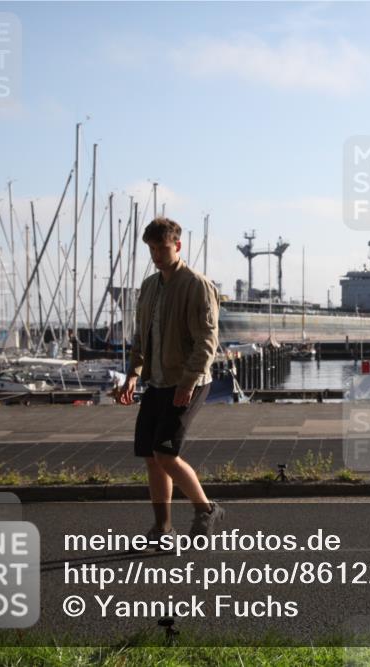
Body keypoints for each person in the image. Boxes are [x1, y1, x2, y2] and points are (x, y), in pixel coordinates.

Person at [117, 217, 225, 542]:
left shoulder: (197, 285)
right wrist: (133, 374)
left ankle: (206, 510)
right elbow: (141, 336)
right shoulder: (149, 287)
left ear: (177, 246)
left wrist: (188, 383)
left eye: (162, 248)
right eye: (151, 249)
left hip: (188, 382)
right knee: (151, 457)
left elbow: (208, 339)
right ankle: (162, 529)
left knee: (165, 453)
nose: (156, 256)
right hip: (157, 382)